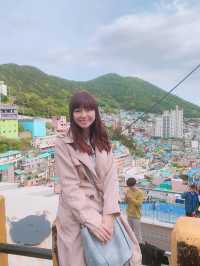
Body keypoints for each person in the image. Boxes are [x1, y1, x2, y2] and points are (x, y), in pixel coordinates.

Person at [55, 91, 142, 266]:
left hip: (105, 212)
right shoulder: (63, 144)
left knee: (121, 257)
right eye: (78, 110)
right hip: (77, 217)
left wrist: (109, 217)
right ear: (71, 114)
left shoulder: (102, 140)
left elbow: (111, 179)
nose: (84, 115)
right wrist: (93, 222)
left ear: (96, 112)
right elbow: (70, 188)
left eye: (88, 109)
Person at [125, 177, 144, 244]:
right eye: (129, 186)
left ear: (135, 184)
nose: (130, 188)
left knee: (137, 234)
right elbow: (126, 202)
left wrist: (131, 198)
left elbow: (139, 204)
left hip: (136, 215)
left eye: (131, 186)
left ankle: (140, 247)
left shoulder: (140, 193)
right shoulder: (128, 191)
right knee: (129, 232)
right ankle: (130, 246)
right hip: (129, 214)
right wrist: (126, 197)